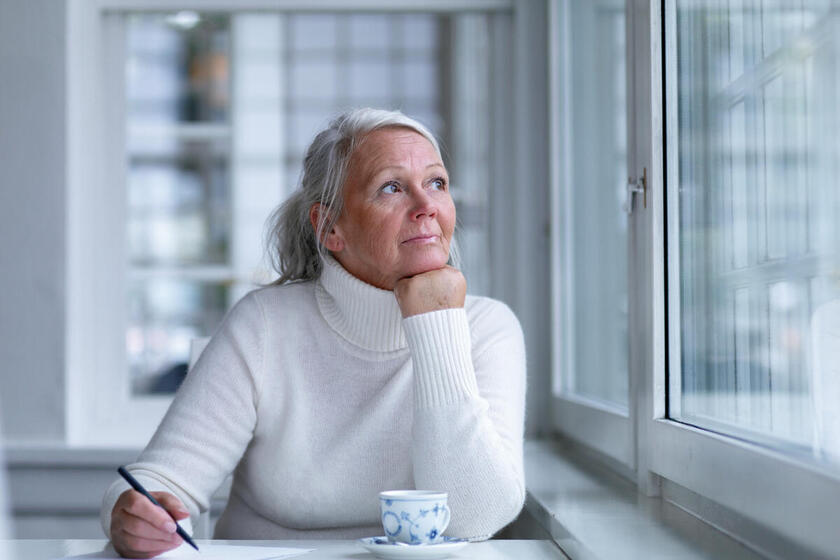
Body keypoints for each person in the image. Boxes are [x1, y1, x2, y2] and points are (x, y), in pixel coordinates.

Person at [101, 108, 527, 558]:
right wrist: (133, 515)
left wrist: (437, 324)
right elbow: (161, 483)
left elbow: (476, 518)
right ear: (329, 229)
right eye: (392, 188)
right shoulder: (264, 326)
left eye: (437, 183)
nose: (427, 207)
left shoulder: (486, 328)